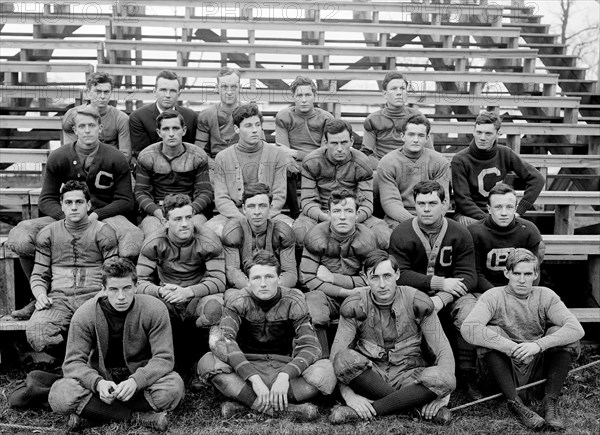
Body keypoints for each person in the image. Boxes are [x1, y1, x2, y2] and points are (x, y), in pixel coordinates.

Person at [7, 106, 143, 320]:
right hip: (69, 213)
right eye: (82, 126)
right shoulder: (59, 156)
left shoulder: (115, 157)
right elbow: (46, 199)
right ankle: (40, 296)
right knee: (22, 235)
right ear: (74, 130)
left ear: (100, 128)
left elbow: (126, 201)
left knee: (132, 239)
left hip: (106, 214)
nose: (87, 130)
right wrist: (68, 219)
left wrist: (94, 216)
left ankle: (120, 296)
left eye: (92, 126)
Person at [48, 258, 185, 432]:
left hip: (139, 383)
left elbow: (164, 358)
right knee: (61, 394)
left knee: (174, 387)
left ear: (136, 286)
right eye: (113, 289)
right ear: (103, 289)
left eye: (127, 288)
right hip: (101, 385)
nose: (121, 297)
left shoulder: (155, 309)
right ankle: (139, 418)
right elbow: (73, 363)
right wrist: (97, 383)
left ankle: (95, 416)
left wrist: (136, 381)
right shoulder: (84, 314)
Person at [198, 251, 335, 420]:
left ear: (279, 279)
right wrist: (254, 379)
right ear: (248, 281)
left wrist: (286, 375)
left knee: (326, 371)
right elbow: (226, 342)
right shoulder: (237, 301)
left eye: (269, 277)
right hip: (247, 366)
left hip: (284, 367)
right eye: (256, 278)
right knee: (207, 362)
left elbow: (311, 346)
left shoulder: (294, 301)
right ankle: (286, 410)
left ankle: (247, 405)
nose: (263, 284)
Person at [461, 249, 584, 431]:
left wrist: (538, 345)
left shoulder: (545, 295)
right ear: (507, 273)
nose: (521, 279)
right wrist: (511, 348)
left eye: (527, 274)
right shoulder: (493, 296)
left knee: (560, 333)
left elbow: (576, 328)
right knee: (490, 332)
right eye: (516, 273)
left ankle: (549, 403)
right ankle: (515, 403)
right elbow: (469, 328)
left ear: (535, 274)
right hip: (501, 373)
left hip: (535, 368)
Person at [329, 250, 455, 424]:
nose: (382, 284)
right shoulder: (354, 304)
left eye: (387, 276)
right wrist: (349, 396)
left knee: (445, 377)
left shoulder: (418, 301)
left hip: (410, 376)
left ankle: (371, 410)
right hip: (371, 377)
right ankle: (412, 407)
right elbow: (337, 356)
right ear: (365, 278)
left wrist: (444, 395)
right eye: (374, 277)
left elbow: (442, 349)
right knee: (343, 359)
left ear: (397, 274)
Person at [388, 181, 479, 397]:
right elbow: (400, 274)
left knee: (469, 314)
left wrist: (441, 297)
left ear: (444, 204)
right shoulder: (401, 232)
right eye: (421, 203)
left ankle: (468, 374)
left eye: (432, 203)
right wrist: (438, 283)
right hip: (413, 293)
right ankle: (410, 372)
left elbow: (469, 276)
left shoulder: (459, 232)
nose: (426, 209)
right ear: (414, 204)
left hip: (452, 295)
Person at [24, 181, 118, 360]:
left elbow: (113, 274)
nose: (74, 207)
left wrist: (103, 296)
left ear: (88, 205)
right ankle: (73, 360)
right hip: (58, 299)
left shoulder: (103, 233)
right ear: (61, 205)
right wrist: (40, 295)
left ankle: (90, 363)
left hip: (95, 298)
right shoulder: (48, 233)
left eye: (79, 202)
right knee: (37, 333)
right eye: (68, 202)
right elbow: (39, 274)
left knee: (105, 330)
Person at [136, 194, 226, 371]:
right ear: (165, 222)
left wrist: (188, 292)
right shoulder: (154, 242)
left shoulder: (208, 240)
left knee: (214, 307)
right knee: (147, 307)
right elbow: (140, 281)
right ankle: (162, 361)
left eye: (188, 217)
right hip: (166, 294)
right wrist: (160, 292)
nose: (184, 224)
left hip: (198, 294)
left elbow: (219, 281)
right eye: (177, 219)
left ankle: (203, 362)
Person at [301, 189, 378, 357]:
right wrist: (345, 291)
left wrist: (332, 277)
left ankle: (362, 358)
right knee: (313, 301)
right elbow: (308, 279)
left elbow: (372, 279)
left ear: (357, 214)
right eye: (337, 211)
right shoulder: (316, 236)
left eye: (348, 211)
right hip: (327, 296)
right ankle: (323, 359)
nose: (342, 217)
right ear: (329, 213)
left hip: (359, 295)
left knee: (371, 301)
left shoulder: (367, 238)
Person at [293, 119, 391, 249]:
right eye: (334, 143)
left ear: (351, 141)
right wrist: (327, 217)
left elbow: (367, 204)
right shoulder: (311, 162)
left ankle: (372, 267)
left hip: (354, 213)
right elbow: (307, 202)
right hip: (322, 212)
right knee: (300, 233)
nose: (339, 149)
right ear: (326, 143)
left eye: (344, 142)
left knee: (383, 236)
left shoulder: (362, 162)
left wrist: (351, 218)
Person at [206, 103, 291, 237]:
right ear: (236, 129)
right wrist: (243, 220)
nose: (254, 130)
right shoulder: (222, 157)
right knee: (210, 231)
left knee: (290, 230)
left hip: (268, 213)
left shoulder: (277, 154)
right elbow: (222, 198)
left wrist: (262, 216)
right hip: (234, 214)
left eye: (257, 125)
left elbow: (279, 194)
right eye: (248, 126)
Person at [451, 111, 545, 226]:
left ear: (498, 133)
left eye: (488, 134)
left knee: (530, 232)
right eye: (479, 132)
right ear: (473, 131)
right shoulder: (460, 160)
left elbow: (537, 178)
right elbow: (463, 201)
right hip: (470, 216)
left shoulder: (505, 153)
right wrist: (489, 220)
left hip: (500, 213)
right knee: (476, 229)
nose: (482, 138)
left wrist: (519, 211)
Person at [135, 111, 213, 237]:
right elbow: (141, 193)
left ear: (184, 130)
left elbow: (205, 192)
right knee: (154, 235)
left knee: (198, 233)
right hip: (158, 210)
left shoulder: (197, 156)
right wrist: (158, 213)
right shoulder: (147, 156)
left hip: (190, 208)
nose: (171, 134)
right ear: (159, 132)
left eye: (176, 128)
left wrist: (190, 210)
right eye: (166, 129)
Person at [275, 75, 334, 218]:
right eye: (299, 95)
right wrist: (292, 157)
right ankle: (295, 213)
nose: (303, 99)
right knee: (285, 167)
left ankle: (325, 210)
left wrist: (295, 153)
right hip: (295, 166)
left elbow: (324, 153)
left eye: (308, 95)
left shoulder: (326, 118)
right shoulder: (284, 116)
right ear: (293, 96)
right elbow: (283, 151)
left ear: (314, 96)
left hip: (319, 162)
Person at [377, 113, 450, 228]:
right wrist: (414, 223)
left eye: (421, 135)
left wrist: (430, 220)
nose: (415, 140)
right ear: (402, 136)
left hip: (432, 217)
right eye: (411, 135)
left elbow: (443, 199)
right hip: (399, 219)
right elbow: (390, 202)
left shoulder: (440, 162)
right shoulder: (387, 162)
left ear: (427, 138)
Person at [468, 183, 543, 293]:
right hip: (484, 292)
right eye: (498, 207)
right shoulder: (474, 232)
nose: (504, 213)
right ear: (489, 208)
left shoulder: (529, 231)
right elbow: (475, 274)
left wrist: (521, 293)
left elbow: (533, 271)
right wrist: (500, 296)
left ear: (515, 209)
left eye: (509, 207)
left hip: (519, 291)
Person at [221, 182, 297, 290]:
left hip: (275, 288)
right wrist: (258, 288)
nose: (257, 212)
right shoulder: (233, 231)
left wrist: (268, 289)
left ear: (270, 207)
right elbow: (233, 272)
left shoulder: (282, 232)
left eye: (262, 206)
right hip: (244, 289)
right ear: (244, 209)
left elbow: (290, 274)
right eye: (251, 206)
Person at [360, 70, 433, 170]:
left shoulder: (417, 116)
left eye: (402, 88)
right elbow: (367, 153)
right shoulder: (373, 119)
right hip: (383, 169)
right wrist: (386, 169)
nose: (399, 93)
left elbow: (429, 152)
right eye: (394, 89)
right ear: (385, 94)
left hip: (413, 168)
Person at [62, 72, 131, 162]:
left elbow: (125, 156)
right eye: (98, 92)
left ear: (111, 93)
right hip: (80, 167)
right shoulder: (73, 116)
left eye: (106, 92)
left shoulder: (120, 118)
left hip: (111, 167)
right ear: (88, 93)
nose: (102, 96)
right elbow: (70, 152)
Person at [129, 70, 198, 159]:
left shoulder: (190, 117)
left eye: (172, 91)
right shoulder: (138, 117)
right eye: (163, 90)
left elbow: (191, 150)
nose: (168, 95)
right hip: (151, 167)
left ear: (179, 94)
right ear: (154, 92)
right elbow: (142, 153)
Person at [196, 67, 255, 169]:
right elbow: (199, 150)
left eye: (233, 87)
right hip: (215, 165)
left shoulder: (250, 112)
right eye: (224, 87)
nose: (229, 92)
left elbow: (260, 144)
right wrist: (215, 166)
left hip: (245, 164)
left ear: (239, 87)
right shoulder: (206, 115)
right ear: (217, 88)